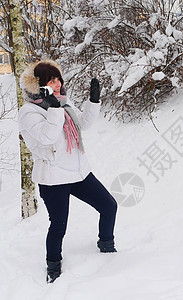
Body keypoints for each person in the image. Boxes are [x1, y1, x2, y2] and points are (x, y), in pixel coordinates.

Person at [18, 59, 118, 283]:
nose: (56, 84)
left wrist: (93, 101)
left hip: (78, 171)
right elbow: (47, 136)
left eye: (57, 79)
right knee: (59, 225)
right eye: (50, 80)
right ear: (39, 85)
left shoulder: (62, 101)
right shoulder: (28, 112)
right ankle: (53, 265)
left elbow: (82, 123)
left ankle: (106, 244)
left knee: (109, 206)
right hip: (53, 177)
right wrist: (53, 108)